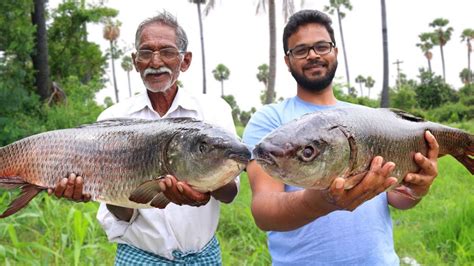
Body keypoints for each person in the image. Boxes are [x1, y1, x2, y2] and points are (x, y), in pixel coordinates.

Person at [242, 9, 439, 265]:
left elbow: (396, 198)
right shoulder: (270, 122)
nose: (313, 55)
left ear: (335, 51)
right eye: (301, 50)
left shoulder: (367, 117)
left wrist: (417, 189)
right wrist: (323, 201)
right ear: (287, 61)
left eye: (321, 46)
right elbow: (264, 211)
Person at [50, 11, 239, 265]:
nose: (155, 61)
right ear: (135, 61)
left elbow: (230, 193)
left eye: (168, 52)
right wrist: (94, 189)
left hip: (202, 256)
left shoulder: (213, 110)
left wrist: (202, 187)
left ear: (185, 61)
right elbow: (120, 210)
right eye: (146, 52)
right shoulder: (113, 117)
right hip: (139, 257)